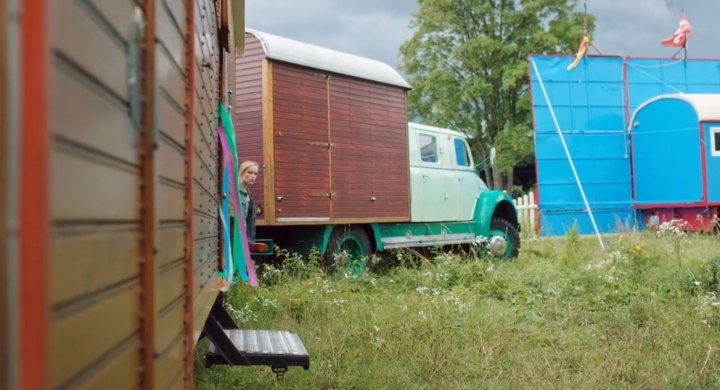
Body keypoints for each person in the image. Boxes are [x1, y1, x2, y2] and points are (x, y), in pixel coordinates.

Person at [238, 161, 259, 243]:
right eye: (250, 172)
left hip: (245, 239)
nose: (253, 176)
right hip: (236, 238)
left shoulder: (248, 193)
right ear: (241, 172)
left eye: (255, 174)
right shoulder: (235, 190)